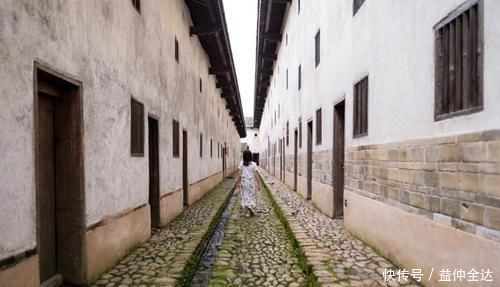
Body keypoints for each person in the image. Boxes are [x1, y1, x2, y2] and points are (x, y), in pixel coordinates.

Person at [238, 149, 257, 217]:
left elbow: (239, 174)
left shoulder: (241, 164)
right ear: (250, 156)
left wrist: (238, 183)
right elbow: (256, 175)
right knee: (251, 195)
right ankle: (250, 206)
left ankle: (247, 211)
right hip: (251, 182)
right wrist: (259, 183)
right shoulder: (253, 164)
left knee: (245, 195)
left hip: (244, 182)